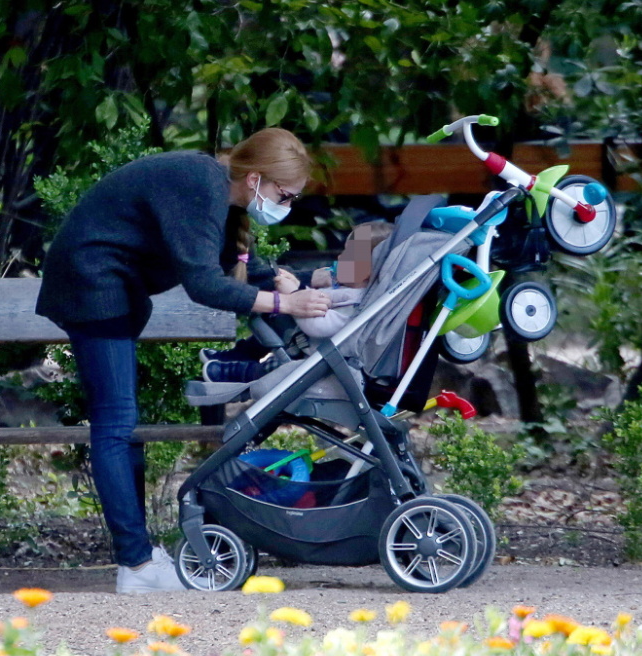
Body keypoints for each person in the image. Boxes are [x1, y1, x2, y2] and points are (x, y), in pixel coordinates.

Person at [34, 128, 330, 594]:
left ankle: (140, 558)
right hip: (92, 283)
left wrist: (280, 280)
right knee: (115, 425)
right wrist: (283, 306)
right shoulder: (200, 185)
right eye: (284, 194)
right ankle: (134, 567)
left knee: (123, 427)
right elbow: (204, 285)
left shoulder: (223, 198)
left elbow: (228, 263)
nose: (286, 204)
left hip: (113, 289)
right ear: (255, 178)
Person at [201, 221, 394, 384]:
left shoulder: (360, 305)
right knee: (276, 314)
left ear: (370, 270)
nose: (339, 257)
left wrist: (293, 294)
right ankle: (243, 353)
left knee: (275, 371)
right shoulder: (346, 289)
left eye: (349, 255)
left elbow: (319, 325)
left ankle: (242, 374)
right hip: (300, 344)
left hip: (314, 361)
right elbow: (316, 299)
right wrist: (297, 287)